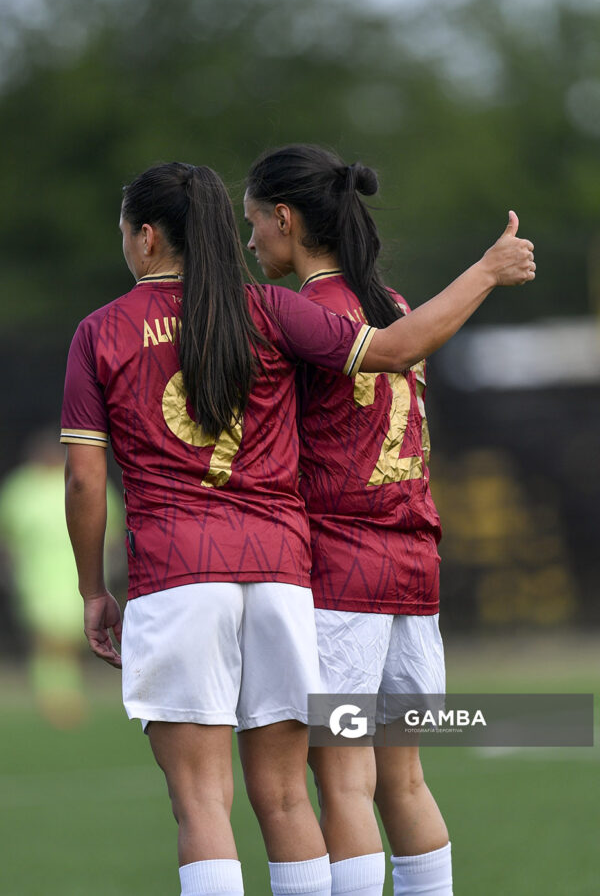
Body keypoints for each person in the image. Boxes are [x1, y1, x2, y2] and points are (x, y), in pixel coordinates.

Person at [61, 161, 532, 896]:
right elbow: (397, 347)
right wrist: (484, 273)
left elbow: (85, 476)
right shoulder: (317, 308)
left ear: (145, 237)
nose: (251, 238)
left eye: (259, 222)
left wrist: (92, 589)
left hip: (250, 567)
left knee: (236, 798)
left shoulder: (113, 329)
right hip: (333, 567)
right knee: (340, 790)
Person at [244, 144, 536, 896]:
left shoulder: (303, 316)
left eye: (253, 225)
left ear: (285, 218)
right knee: (401, 780)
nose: (248, 244)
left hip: (344, 567)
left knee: (342, 781)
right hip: (412, 565)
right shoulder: (397, 305)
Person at [0, 427, 122, 727]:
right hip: (38, 577)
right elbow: (8, 536)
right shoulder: (21, 488)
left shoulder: (87, 482)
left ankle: (60, 693)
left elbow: (113, 528)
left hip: (80, 574)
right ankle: (57, 698)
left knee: (68, 640)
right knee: (49, 639)